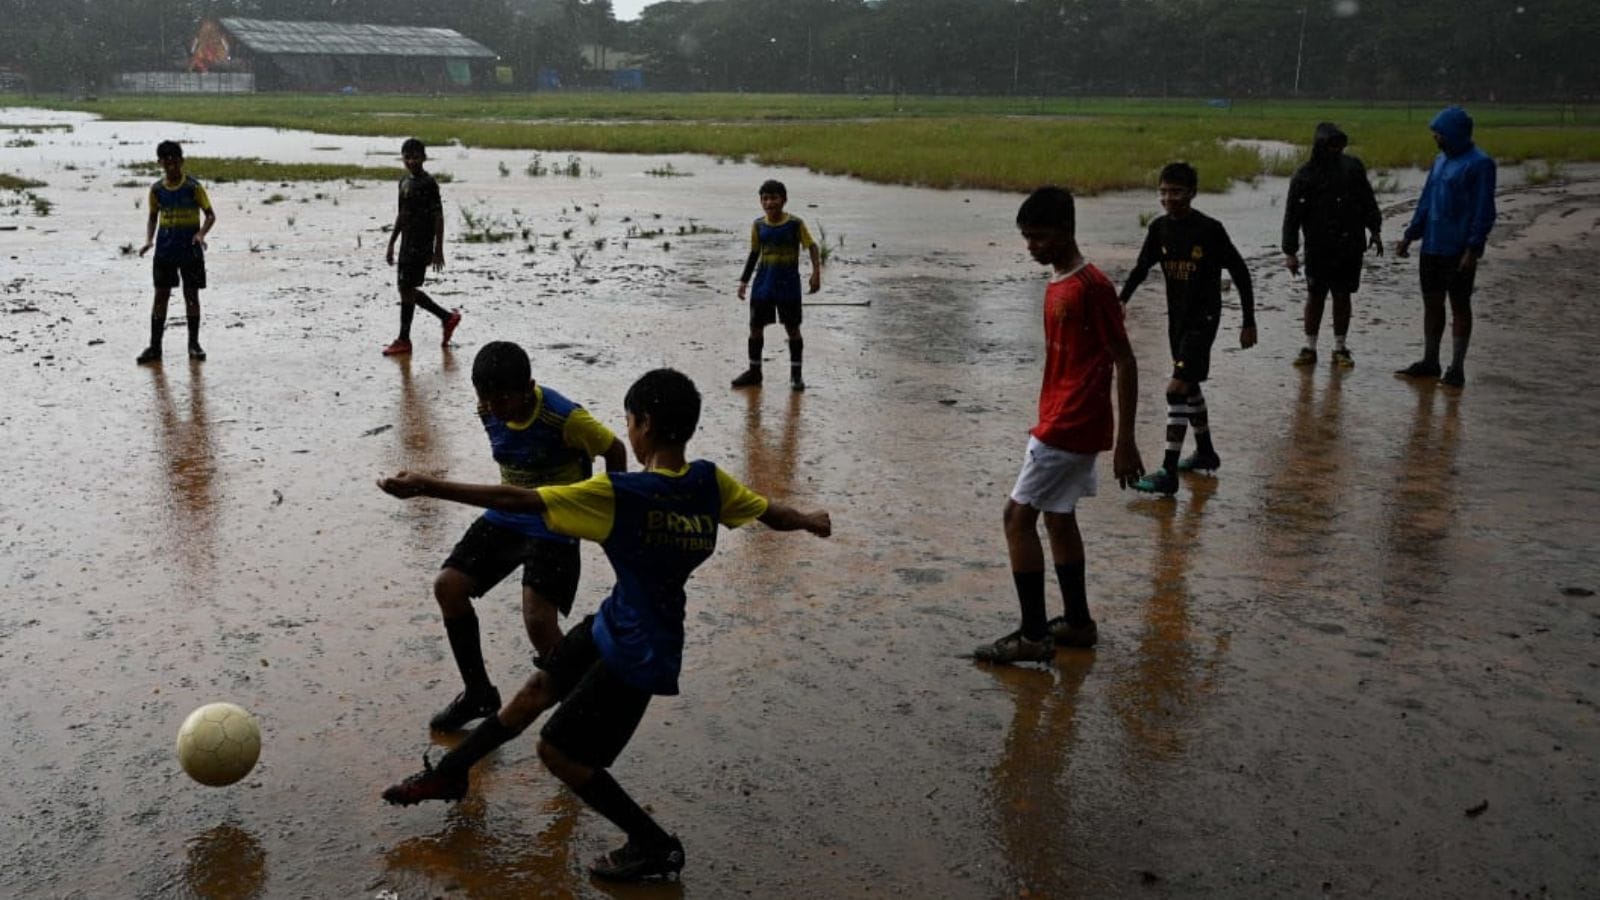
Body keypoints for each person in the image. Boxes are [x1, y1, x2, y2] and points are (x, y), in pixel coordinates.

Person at [377, 368, 832, 882]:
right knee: (535, 690)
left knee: (559, 753)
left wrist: (428, 486)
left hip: (639, 654)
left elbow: (522, 499)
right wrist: (808, 519)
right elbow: (768, 512)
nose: (628, 433)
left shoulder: (621, 493)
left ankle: (653, 844)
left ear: (646, 423)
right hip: (618, 620)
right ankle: (450, 774)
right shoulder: (708, 483)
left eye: (630, 422)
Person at [973, 186, 1143, 664]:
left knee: (1016, 518)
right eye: (1027, 238)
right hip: (1063, 415)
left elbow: (1125, 360)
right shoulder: (1059, 281)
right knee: (1057, 516)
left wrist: (1126, 440)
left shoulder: (1092, 286)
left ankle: (1032, 635)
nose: (1032, 247)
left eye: (1040, 237)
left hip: (1071, 421)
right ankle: (1078, 623)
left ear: (1066, 231)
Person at [421, 341, 627, 733]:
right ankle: (478, 693)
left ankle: (588, 714)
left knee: (539, 623)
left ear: (529, 388)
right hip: (507, 515)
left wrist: (610, 511)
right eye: (485, 400)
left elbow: (613, 449)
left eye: (503, 400)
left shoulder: (564, 417)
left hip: (555, 523)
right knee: (448, 586)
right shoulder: (487, 409)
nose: (493, 409)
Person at [1119, 162, 1257, 495]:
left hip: (1203, 321)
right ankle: (1205, 452)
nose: (1169, 199)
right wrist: (1121, 301)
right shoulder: (1159, 229)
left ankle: (1168, 472)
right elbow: (1141, 268)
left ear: (1192, 193)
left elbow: (1240, 273)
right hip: (1177, 320)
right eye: (1164, 192)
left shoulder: (1210, 230)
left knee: (1176, 389)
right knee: (1190, 386)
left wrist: (1248, 321)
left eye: (1177, 192)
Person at [1395, 106, 1497, 388]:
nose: (1435, 137)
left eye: (1438, 133)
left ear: (1453, 133)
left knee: (1460, 305)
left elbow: (1484, 210)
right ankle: (1430, 360)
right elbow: (1426, 200)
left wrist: (1473, 248)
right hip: (1432, 246)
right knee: (1432, 303)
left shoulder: (1480, 164)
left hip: (1459, 249)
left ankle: (1457, 368)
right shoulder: (1439, 161)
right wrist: (1410, 235)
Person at [1282, 122, 1384, 369]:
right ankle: (1310, 347)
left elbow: (1367, 201)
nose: (1336, 150)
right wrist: (1290, 252)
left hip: (1350, 244)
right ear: (1319, 146)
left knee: (1342, 295)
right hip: (1318, 246)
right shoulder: (1304, 176)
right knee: (1315, 296)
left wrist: (1375, 230)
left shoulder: (1352, 168)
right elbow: (1292, 216)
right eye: (1331, 146)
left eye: (1339, 146)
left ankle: (1340, 347)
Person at [732, 179, 822, 391]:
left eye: (774, 198)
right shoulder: (758, 225)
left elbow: (812, 246)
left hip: (788, 285)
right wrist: (744, 281)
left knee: (792, 328)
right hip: (763, 284)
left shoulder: (795, 224)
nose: (769, 203)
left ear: (784, 200)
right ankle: (754, 372)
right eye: (765, 199)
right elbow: (754, 253)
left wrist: (816, 273)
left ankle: (796, 376)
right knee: (755, 327)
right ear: (760, 202)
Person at [137, 141, 216, 364]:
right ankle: (155, 347)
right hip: (165, 251)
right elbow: (152, 217)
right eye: (166, 162)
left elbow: (210, 215)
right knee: (160, 297)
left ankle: (194, 345)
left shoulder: (193, 187)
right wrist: (149, 240)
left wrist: (201, 234)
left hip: (190, 250)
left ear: (181, 161)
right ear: (160, 163)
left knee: (191, 296)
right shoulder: (156, 190)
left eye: (175, 161)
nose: (171, 166)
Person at [383, 137, 460, 356]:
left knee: (406, 288)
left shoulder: (428, 183)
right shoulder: (403, 182)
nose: (411, 161)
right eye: (407, 158)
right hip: (406, 243)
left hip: (421, 243)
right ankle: (446, 318)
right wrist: (391, 243)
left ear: (424, 158)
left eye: (415, 157)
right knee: (405, 289)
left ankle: (404, 339)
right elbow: (402, 214)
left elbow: (438, 217)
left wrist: (438, 250)